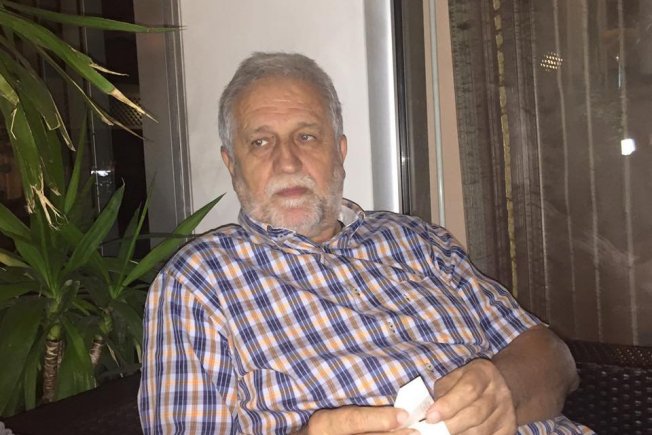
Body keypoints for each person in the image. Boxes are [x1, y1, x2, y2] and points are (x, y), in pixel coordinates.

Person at [138, 52, 591, 435]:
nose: (287, 160)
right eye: (260, 142)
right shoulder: (197, 283)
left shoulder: (420, 241)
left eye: (306, 136)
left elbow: (556, 362)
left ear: (340, 152)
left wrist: (503, 391)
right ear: (232, 165)